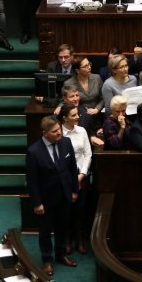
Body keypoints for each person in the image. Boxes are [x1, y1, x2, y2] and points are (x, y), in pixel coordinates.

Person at [25, 116, 78, 275]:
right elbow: (31, 180)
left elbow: (72, 169)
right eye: (55, 131)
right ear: (45, 133)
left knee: (63, 228)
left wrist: (74, 190)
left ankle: (61, 255)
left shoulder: (66, 143)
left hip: (64, 196)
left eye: (59, 129)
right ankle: (47, 260)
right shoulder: (33, 151)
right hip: (46, 200)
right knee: (45, 232)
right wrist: (36, 203)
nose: (59, 133)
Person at [58, 103, 92, 255]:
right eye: (73, 115)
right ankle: (66, 240)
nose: (78, 117)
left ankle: (79, 240)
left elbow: (87, 154)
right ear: (65, 118)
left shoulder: (82, 131)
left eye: (77, 114)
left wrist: (82, 174)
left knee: (81, 210)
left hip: (81, 176)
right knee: (66, 211)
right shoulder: (59, 133)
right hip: (64, 178)